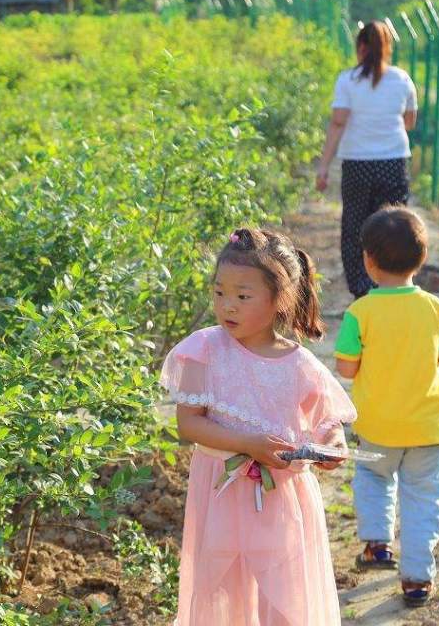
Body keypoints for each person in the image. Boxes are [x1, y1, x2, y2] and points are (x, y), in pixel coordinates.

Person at [160, 228, 356, 626]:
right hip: (220, 492)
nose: (227, 305)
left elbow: (327, 422)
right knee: (222, 589)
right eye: (219, 292)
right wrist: (248, 444)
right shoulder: (202, 351)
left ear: (278, 300)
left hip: (282, 501)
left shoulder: (300, 365)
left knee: (284, 595)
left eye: (242, 296)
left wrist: (331, 446)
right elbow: (189, 424)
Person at [333, 207, 439, 608]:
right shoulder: (436, 309)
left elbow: (345, 367)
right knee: (424, 498)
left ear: (368, 262)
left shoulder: (360, 312)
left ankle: (376, 544)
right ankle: (417, 578)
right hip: (428, 426)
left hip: (377, 424)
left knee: (373, 477)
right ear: (421, 258)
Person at [316, 21, 418, 298]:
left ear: (361, 47)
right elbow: (409, 122)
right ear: (387, 48)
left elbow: (338, 124)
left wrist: (323, 167)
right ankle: (392, 285)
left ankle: (362, 290)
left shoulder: (347, 80)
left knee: (355, 227)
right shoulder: (402, 79)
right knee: (394, 226)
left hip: (357, 164)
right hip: (393, 162)